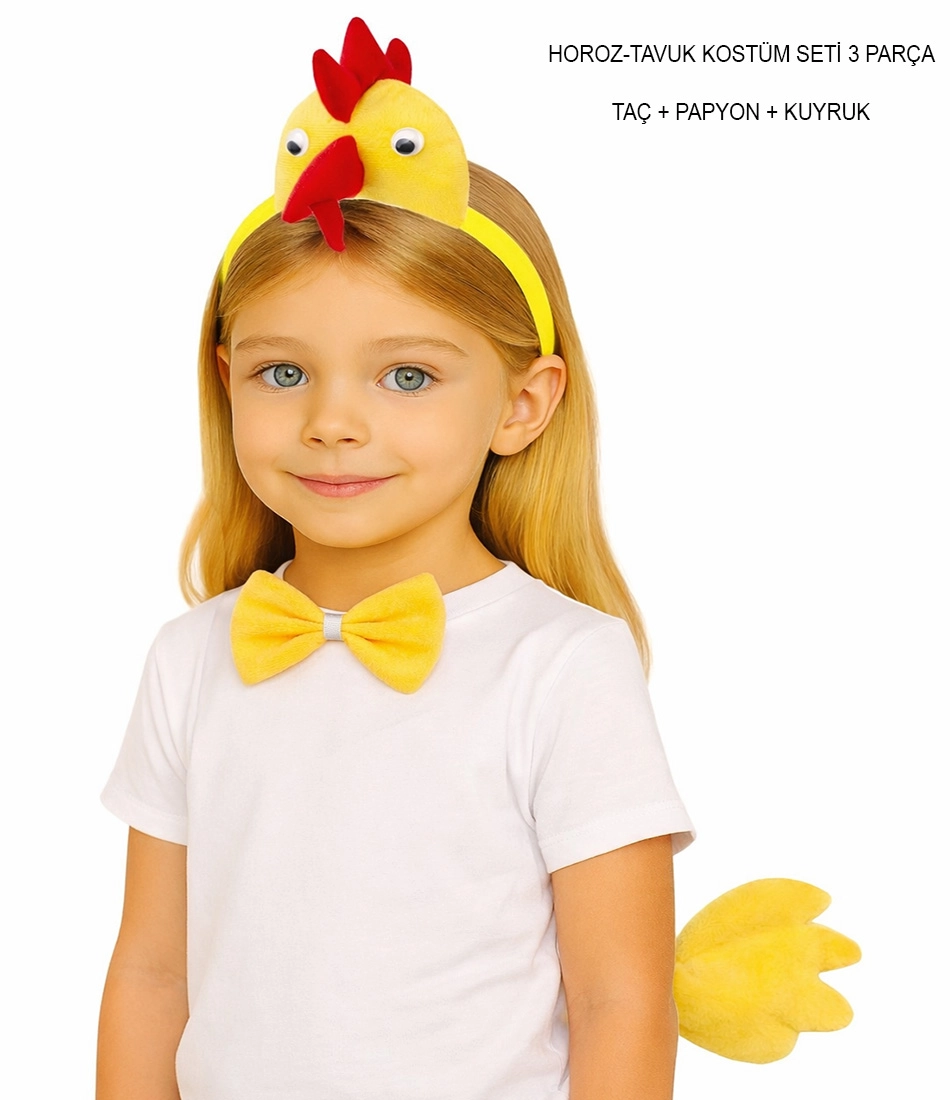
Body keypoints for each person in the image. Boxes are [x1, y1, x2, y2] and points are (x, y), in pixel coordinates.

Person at [96, 19, 694, 1100]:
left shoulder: (563, 665)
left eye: (406, 376)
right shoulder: (191, 659)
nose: (332, 421)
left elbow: (623, 1002)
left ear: (521, 403)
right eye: (283, 374)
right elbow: (151, 973)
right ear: (227, 378)